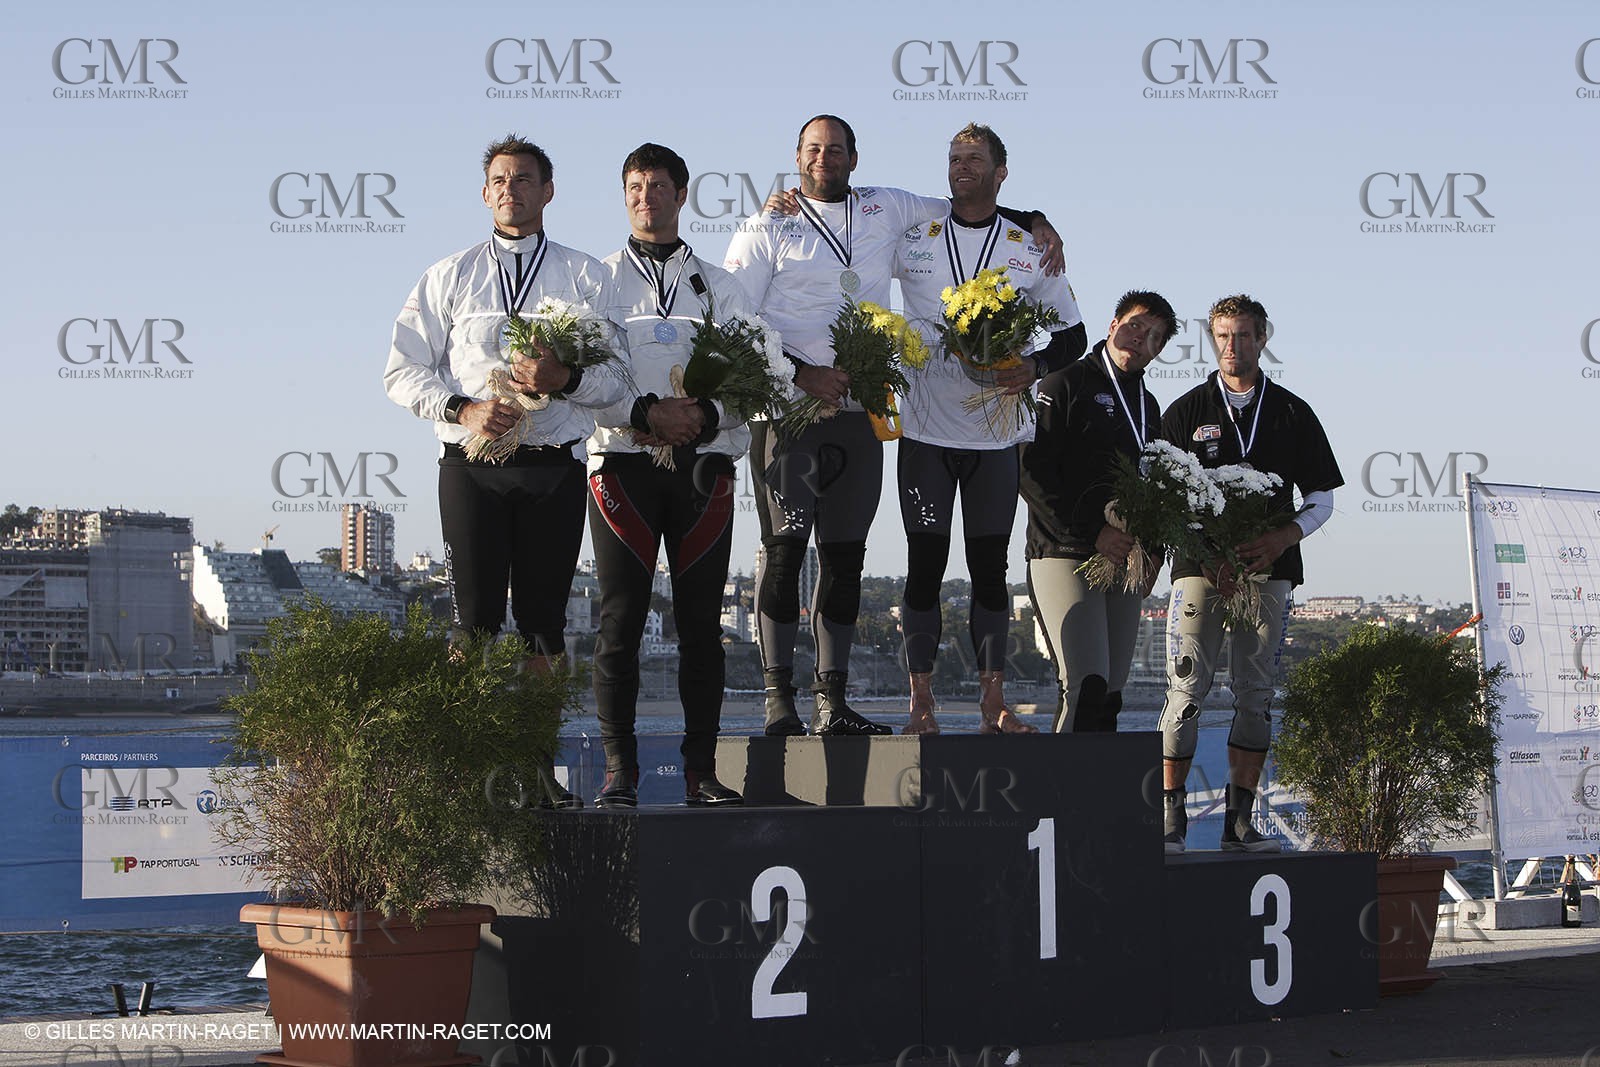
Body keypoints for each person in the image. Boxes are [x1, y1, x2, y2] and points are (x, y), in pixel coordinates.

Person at [724, 114, 1061, 737]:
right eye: (813, 149)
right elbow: (733, 319)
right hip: (791, 414)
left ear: (855, 158)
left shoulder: (889, 208)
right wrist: (802, 375)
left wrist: (1033, 218)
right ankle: (778, 702)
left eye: (836, 150)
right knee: (783, 555)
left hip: (863, 417)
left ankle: (833, 701)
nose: (824, 158)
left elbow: (970, 201)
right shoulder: (766, 224)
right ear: (797, 156)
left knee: (845, 560)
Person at [383, 134, 629, 808]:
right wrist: (462, 408)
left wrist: (563, 376)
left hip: (552, 468)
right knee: (474, 624)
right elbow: (400, 371)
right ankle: (465, 776)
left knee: (545, 624)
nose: (510, 189)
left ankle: (534, 769)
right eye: (499, 179)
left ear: (548, 191)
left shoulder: (588, 276)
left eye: (524, 178)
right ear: (484, 191)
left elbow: (617, 380)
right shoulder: (447, 275)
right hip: (472, 470)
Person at [893, 123, 1086, 735]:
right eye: (953, 158)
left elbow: (1074, 337)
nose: (961, 167)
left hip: (995, 438)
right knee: (923, 568)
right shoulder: (913, 234)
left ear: (1002, 171)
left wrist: (1033, 367)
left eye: (975, 159)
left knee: (988, 569)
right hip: (925, 429)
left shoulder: (1029, 243)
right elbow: (846, 225)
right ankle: (921, 705)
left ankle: (992, 705)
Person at [586, 144, 752, 808]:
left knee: (701, 626)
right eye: (633, 185)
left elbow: (756, 372)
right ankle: (619, 773)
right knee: (619, 622)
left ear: (682, 196)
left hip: (703, 467)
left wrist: (705, 414)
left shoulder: (721, 284)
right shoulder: (594, 282)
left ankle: (700, 772)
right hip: (622, 467)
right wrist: (642, 414)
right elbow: (579, 378)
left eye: (657, 185)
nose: (644, 196)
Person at [1156, 294, 1341, 853]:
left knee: (1255, 695)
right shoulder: (1186, 410)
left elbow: (1322, 499)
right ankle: (1171, 820)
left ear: (1263, 339)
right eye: (1222, 336)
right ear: (1211, 340)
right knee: (1185, 691)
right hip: (1198, 570)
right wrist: (1207, 554)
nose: (1232, 346)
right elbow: (1160, 499)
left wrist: (1282, 537)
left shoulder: (1291, 412)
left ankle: (1239, 825)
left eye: (1243, 336)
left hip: (1269, 570)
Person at [1019, 291, 1177, 735]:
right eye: (1134, 325)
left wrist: (1153, 554)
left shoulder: (1148, 407)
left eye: (1154, 337)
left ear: (1159, 352)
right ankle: (1058, 803)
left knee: (1109, 696)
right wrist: (1094, 532)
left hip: (1124, 560)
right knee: (1084, 687)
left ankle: (1097, 804)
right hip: (1064, 551)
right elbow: (1030, 471)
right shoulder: (1063, 382)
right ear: (1112, 325)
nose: (1140, 339)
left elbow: (1154, 489)